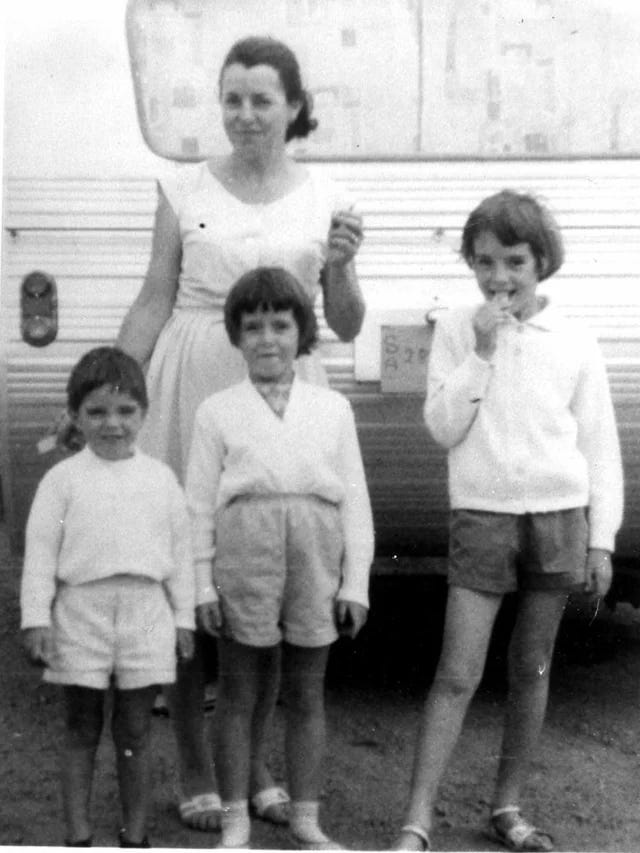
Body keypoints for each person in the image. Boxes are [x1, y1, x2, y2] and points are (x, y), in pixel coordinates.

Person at [115, 34, 366, 832]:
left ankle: (250, 765)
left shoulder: (327, 194)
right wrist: (109, 383)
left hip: (289, 389)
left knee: (269, 579)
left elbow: (345, 322)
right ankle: (195, 760)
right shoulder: (182, 185)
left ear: (294, 107)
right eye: (232, 98)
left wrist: (342, 268)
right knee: (191, 574)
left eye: (262, 99)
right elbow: (154, 298)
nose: (246, 114)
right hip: (193, 382)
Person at [393, 190, 623, 852]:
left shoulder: (575, 338)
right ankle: (416, 820)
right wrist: (482, 351)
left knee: (533, 665)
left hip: (558, 518)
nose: (499, 277)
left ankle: (507, 805)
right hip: (483, 516)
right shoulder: (457, 330)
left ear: (541, 262)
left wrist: (601, 541)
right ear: (470, 263)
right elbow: (442, 427)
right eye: (485, 262)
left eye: (515, 261)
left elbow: (599, 446)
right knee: (457, 671)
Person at [185, 266, 374, 849]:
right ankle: (235, 819)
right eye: (253, 327)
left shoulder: (332, 408)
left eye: (280, 325)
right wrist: (202, 585)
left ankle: (306, 818)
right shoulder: (216, 411)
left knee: (307, 692)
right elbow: (198, 506)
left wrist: (355, 584)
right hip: (245, 552)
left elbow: (355, 501)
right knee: (238, 691)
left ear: (302, 332)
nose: (267, 339)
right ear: (236, 336)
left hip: (315, 551)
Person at [20, 347, 196, 848]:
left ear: (144, 413)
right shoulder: (62, 480)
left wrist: (184, 618)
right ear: (75, 416)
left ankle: (134, 834)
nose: (112, 424)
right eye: (96, 412)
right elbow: (40, 552)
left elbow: (180, 554)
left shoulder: (161, 479)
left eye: (125, 411)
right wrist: (36, 618)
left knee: (136, 728)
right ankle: (77, 835)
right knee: (81, 725)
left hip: (146, 611)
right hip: (81, 611)